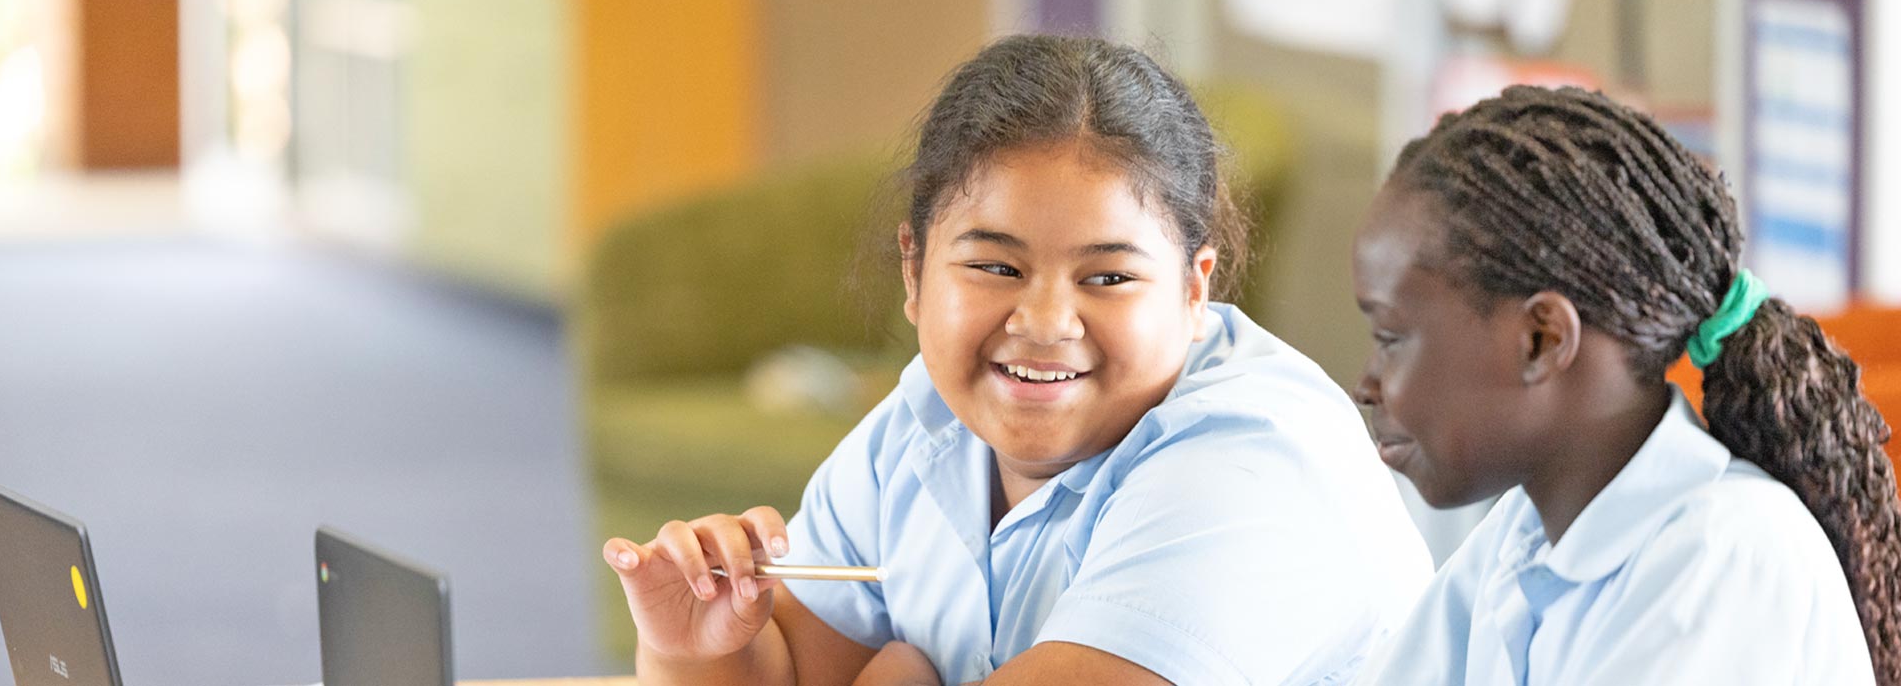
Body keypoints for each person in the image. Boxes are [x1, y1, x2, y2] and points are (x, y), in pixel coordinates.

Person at [601, 34, 1432, 685]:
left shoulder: (1254, 464)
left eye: (1108, 276)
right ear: (914, 270)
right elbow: (797, 669)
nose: (1043, 322)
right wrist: (696, 653)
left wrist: (898, 675)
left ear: (1193, 290)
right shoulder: (923, 425)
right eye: (996, 267)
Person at [1351, 84, 1900, 684]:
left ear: (1543, 340)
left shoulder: (1726, 555)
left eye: (1390, 338)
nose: (1367, 385)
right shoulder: (1525, 534)